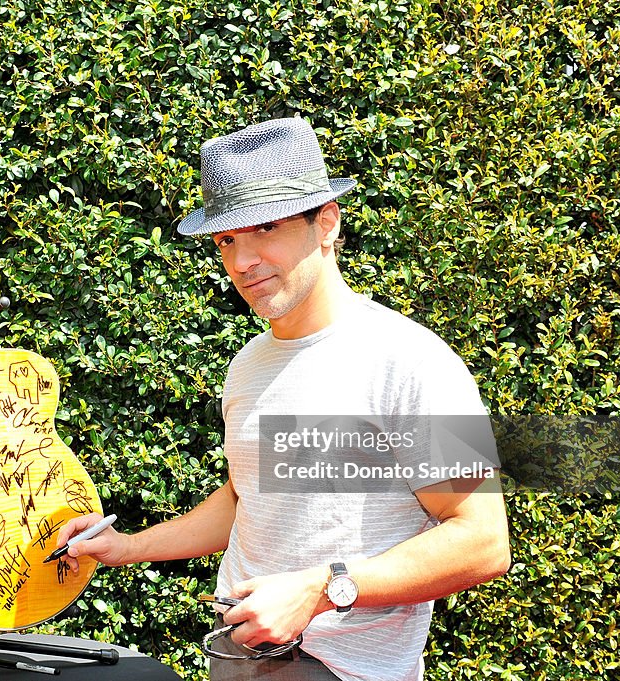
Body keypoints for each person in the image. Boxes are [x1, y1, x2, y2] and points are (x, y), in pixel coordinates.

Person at [56, 116, 510, 681]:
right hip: (235, 657)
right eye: (226, 240)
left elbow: (485, 541)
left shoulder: (417, 361)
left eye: (265, 229)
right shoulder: (247, 366)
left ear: (327, 222)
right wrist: (127, 547)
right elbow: (246, 499)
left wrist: (324, 589)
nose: (242, 261)